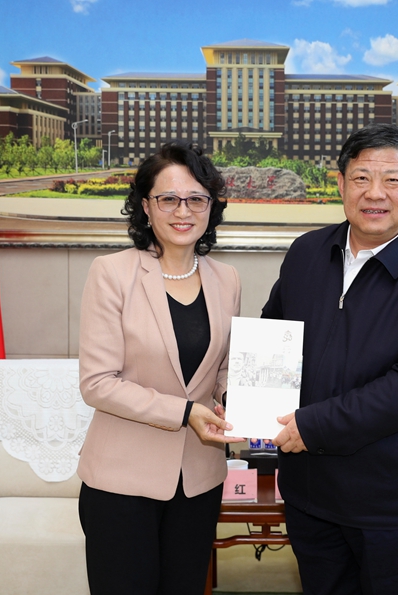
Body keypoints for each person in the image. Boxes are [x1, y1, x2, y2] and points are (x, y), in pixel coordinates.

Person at [264, 124, 398, 595]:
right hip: (310, 492)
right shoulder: (306, 252)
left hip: (392, 503)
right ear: (340, 184)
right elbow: (275, 336)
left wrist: (314, 424)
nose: (374, 193)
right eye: (361, 178)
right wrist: (243, 394)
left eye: (392, 180)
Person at [77, 141, 244, 595]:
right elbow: (97, 383)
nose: (182, 211)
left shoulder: (227, 279)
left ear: (211, 206)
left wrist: (237, 400)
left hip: (198, 481)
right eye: (168, 198)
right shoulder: (111, 273)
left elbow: (223, 370)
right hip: (121, 483)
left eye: (196, 199)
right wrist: (186, 412)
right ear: (146, 206)